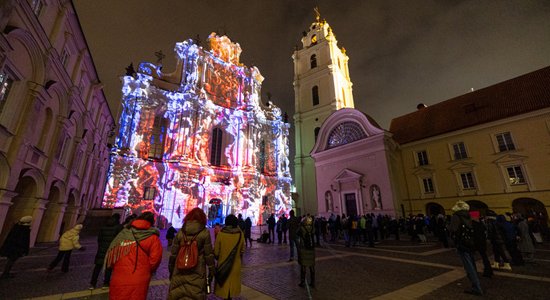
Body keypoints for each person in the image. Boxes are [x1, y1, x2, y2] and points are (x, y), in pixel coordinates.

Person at [106, 212, 163, 300]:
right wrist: (146, 270)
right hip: (140, 278)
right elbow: (155, 260)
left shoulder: (124, 234)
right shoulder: (153, 238)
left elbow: (113, 253)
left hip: (119, 276)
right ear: (152, 223)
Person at [168, 207, 215, 300]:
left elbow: (173, 255)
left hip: (179, 271)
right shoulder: (205, 233)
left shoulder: (181, 233)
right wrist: (211, 272)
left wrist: (171, 271)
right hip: (197, 272)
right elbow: (209, 255)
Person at [449, 201, 483, 296]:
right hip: (470, 243)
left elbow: (453, 230)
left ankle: (476, 287)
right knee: (471, 263)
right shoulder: (469, 215)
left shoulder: (456, 216)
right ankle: (476, 282)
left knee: (468, 265)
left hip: (462, 243)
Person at [214, 214, 245, 300]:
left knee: (224, 288)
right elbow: (242, 250)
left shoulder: (221, 234)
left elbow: (216, 252)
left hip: (223, 266)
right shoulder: (240, 234)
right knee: (231, 290)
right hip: (235, 266)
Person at [90, 213, 123, 289]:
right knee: (109, 268)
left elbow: (99, 239)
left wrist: (101, 246)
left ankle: (92, 284)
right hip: (111, 250)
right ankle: (105, 283)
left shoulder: (104, 227)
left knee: (97, 267)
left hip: (101, 249)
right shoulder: (118, 228)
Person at [470, 211, 493, 278]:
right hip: (482, 243)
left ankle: (473, 272)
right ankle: (488, 270)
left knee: (471, 258)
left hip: (476, 243)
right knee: (484, 257)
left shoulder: (473, 224)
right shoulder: (481, 224)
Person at [297, 215, 316, 288]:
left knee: (303, 265)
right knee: (312, 266)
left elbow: (297, 233)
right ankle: (313, 282)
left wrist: (300, 225)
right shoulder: (312, 228)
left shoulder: (301, 228)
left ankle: (302, 282)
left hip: (304, 248)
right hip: (311, 249)